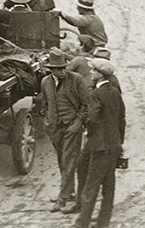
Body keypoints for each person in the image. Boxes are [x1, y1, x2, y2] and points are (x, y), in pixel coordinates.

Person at [36, 48, 90, 213]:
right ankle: (70, 191)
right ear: (51, 69)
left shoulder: (76, 80)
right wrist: (47, 119)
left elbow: (86, 105)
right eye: (57, 68)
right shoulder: (45, 82)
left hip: (71, 128)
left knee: (68, 161)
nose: (62, 71)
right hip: (54, 129)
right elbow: (43, 104)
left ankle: (62, 198)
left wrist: (77, 124)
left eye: (63, 67)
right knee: (62, 162)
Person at [75, 58, 126, 228]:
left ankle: (82, 223)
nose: (90, 73)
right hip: (113, 145)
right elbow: (121, 120)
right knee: (108, 186)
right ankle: (103, 222)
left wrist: (87, 126)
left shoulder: (95, 94)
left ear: (99, 74)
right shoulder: (115, 92)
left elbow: (93, 117)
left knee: (91, 186)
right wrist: (119, 143)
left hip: (99, 146)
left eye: (93, 71)